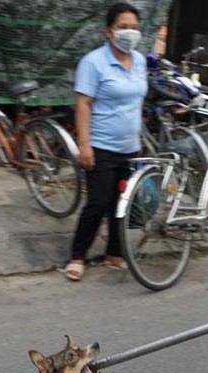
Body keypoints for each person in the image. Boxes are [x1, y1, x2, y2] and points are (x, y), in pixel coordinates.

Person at [64, 2, 147, 281]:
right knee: (98, 203)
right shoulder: (93, 62)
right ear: (108, 31)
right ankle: (77, 256)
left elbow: (137, 101)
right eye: (123, 27)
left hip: (130, 147)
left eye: (134, 28)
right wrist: (84, 145)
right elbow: (83, 104)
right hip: (101, 145)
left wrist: (140, 136)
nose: (129, 33)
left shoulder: (140, 61)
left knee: (120, 204)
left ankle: (114, 253)